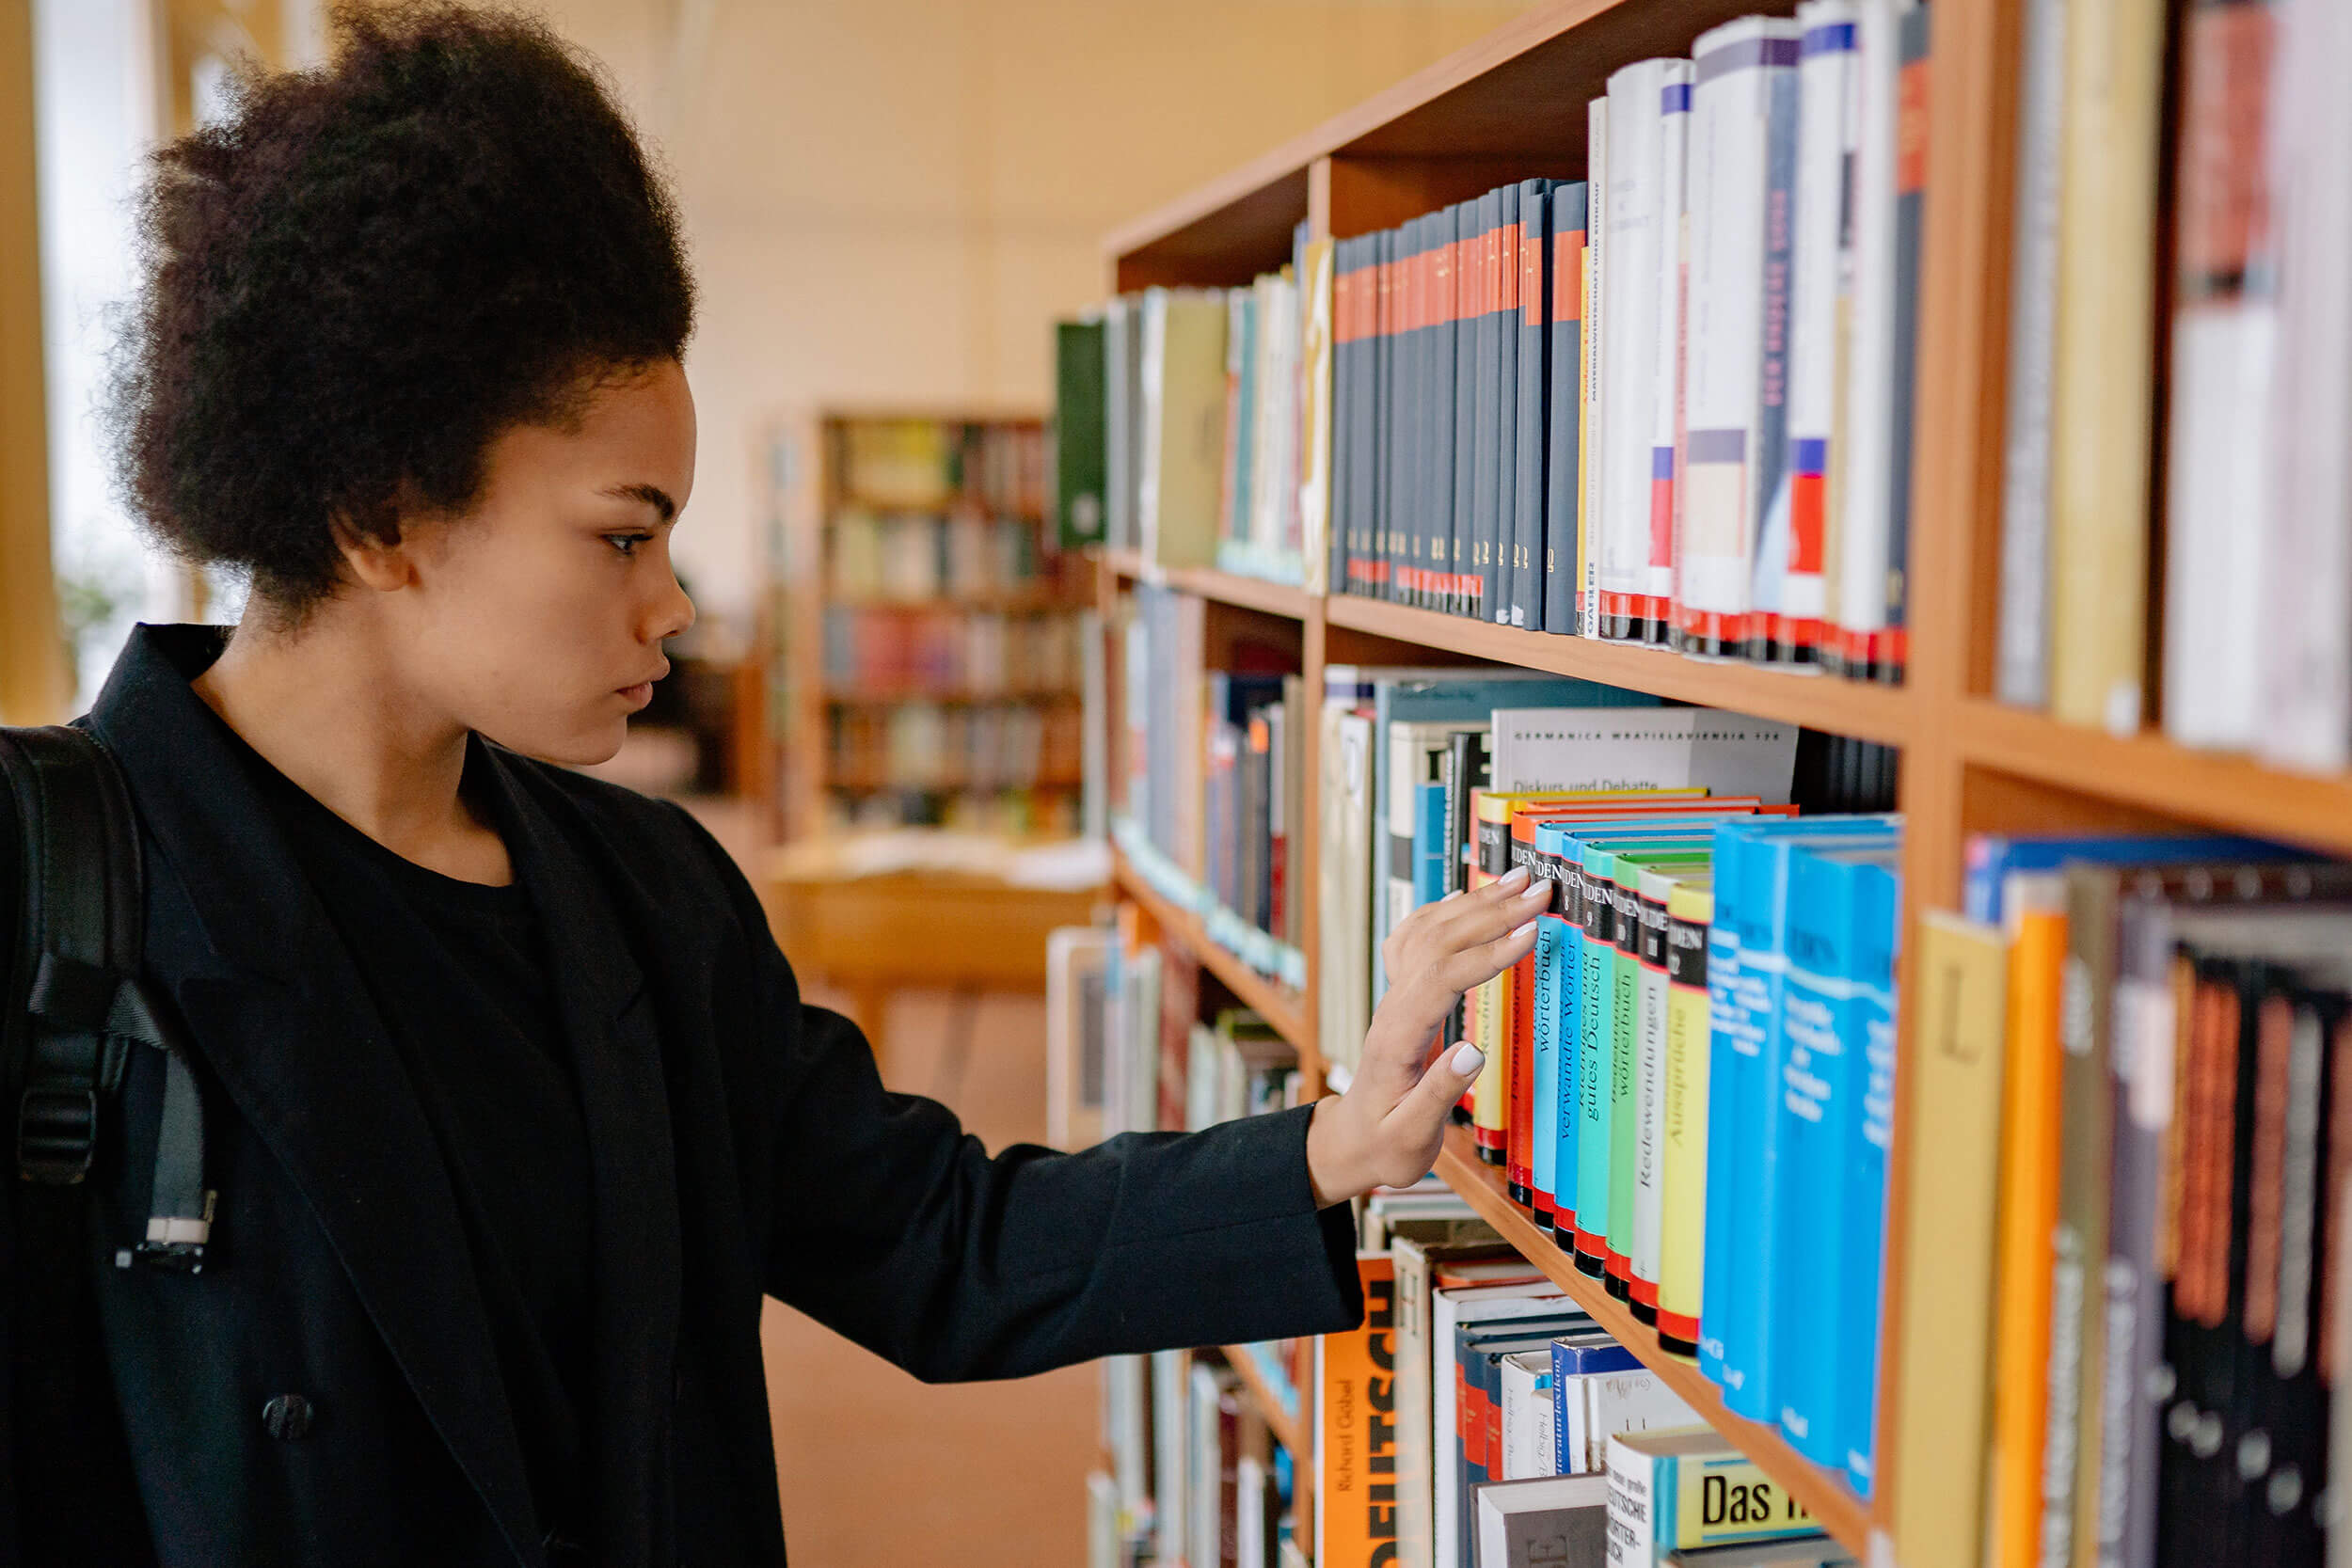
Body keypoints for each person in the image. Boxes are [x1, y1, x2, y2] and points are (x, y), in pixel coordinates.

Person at [26, 6, 1548, 1564]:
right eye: (625, 534)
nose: (676, 604)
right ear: (379, 513)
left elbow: (930, 1240)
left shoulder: (646, 891)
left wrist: (1332, 1142)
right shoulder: (59, 908)